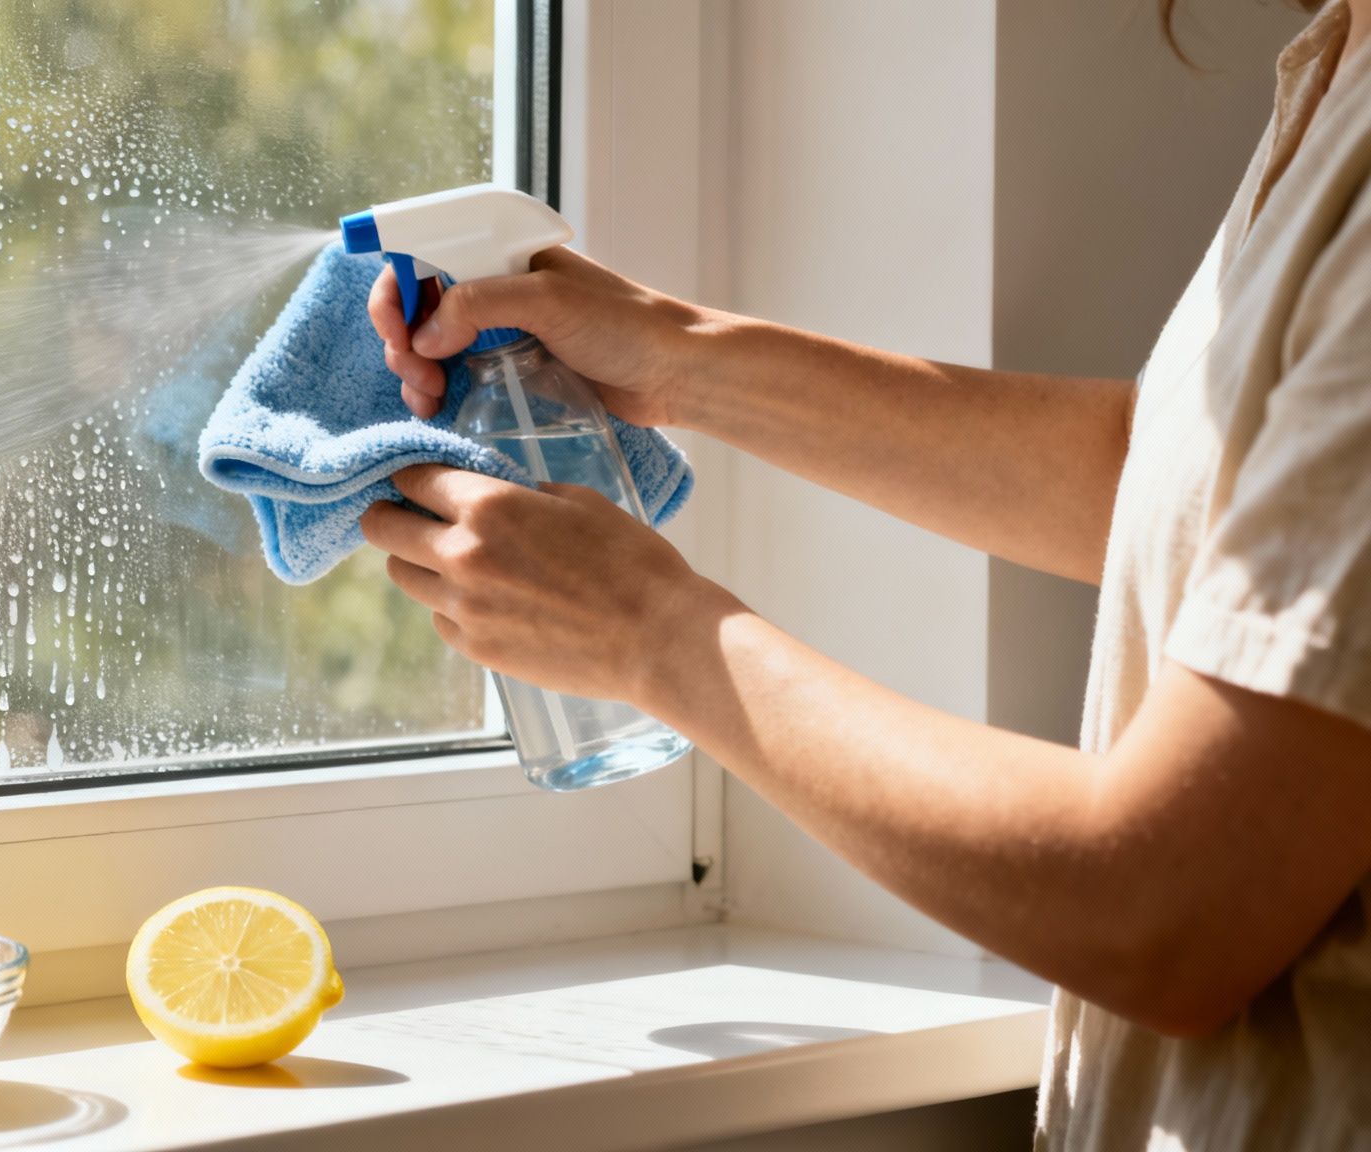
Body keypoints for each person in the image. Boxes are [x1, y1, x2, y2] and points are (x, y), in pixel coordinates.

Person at [358, 2, 1371, 1147]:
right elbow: (1175, 483)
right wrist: (673, 352)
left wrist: (651, 632)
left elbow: (1169, 911)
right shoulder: (1341, 57)